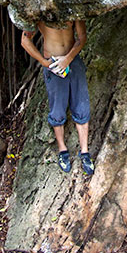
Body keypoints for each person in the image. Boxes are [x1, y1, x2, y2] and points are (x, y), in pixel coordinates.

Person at [21, 19, 94, 175]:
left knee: (82, 106)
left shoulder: (71, 8)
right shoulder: (39, 12)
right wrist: (45, 63)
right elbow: (25, 40)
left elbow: (82, 37)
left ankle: (85, 152)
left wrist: (67, 59)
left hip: (73, 62)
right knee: (57, 109)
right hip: (53, 65)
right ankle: (63, 150)